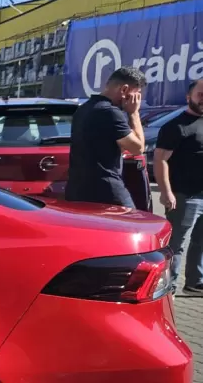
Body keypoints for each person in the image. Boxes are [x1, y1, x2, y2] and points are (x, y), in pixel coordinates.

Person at [65, 66, 147, 207]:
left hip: (77, 190)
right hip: (107, 190)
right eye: (137, 94)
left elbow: (101, 145)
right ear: (124, 90)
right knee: (132, 223)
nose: (137, 99)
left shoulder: (84, 108)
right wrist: (134, 113)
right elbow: (138, 148)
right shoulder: (110, 112)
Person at [155, 79, 203, 294]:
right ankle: (168, 287)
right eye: (200, 94)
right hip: (184, 195)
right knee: (177, 244)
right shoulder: (175, 127)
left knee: (200, 242)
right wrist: (166, 192)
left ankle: (194, 282)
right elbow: (160, 160)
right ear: (188, 97)